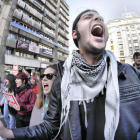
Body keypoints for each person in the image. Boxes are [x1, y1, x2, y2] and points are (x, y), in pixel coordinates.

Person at [0, 9, 140, 140]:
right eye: (88, 17)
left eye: (101, 18)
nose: (98, 18)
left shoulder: (131, 75)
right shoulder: (61, 82)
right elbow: (50, 128)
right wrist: (8, 132)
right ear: (75, 34)